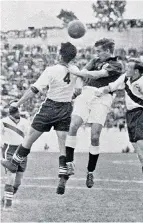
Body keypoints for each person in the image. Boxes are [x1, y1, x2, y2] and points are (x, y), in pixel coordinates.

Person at [1, 42, 81, 195]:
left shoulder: (51, 70)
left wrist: (17, 103)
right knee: (62, 145)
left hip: (50, 107)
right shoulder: (76, 70)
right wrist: (69, 96)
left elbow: (35, 89)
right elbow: (78, 90)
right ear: (73, 57)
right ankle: (62, 176)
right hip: (66, 108)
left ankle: (13, 163)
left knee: (29, 139)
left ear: (60, 54)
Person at [95, 58, 143, 205]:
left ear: (137, 71)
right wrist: (100, 91)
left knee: (142, 154)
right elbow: (112, 86)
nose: (126, 69)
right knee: (140, 155)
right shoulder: (125, 78)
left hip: (141, 114)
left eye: (129, 67)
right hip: (130, 116)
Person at [64, 38, 123, 193]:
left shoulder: (117, 64)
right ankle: (69, 163)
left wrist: (76, 71)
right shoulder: (94, 60)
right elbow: (82, 75)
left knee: (95, 136)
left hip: (103, 97)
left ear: (108, 51)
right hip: (87, 93)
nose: (97, 54)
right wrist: (78, 86)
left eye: (99, 51)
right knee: (73, 125)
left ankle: (90, 172)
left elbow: (99, 74)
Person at [1, 104, 29, 209]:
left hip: (22, 150)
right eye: (15, 111)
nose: (18, 112)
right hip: (9, 149)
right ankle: (8, 204)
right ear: (11, 112)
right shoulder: (3, 121)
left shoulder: (25, 122)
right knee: (11, 174)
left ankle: (6, 197)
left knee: (18, 181)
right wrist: (2, 143)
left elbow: (28, 135)